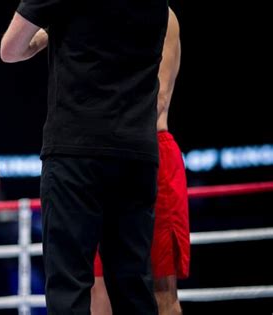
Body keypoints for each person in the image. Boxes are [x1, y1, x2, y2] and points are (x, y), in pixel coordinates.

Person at [1, 0, 168, 313]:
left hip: (75, 149)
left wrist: (52, 29)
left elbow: (10, 49)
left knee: (69, 285)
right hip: (137, 151)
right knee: (134, 286)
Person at [91, 8, 190, 315]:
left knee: (160, 290)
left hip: (149, 152)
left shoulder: (161, 14)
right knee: (98, 288)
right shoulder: (95, 17)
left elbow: (155, 98)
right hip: (99, 157)